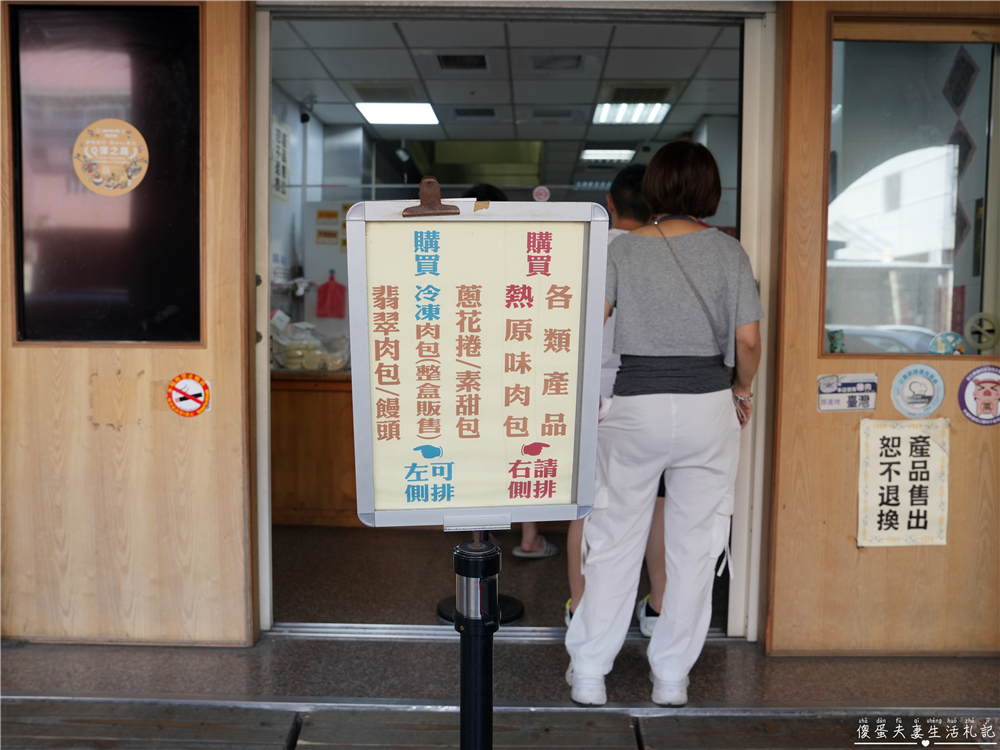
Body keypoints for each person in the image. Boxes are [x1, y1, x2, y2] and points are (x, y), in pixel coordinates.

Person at [565, 140, 763, 707]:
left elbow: (589, 327)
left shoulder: (623, 252)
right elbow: (747, 341)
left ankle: (589, 674)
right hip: (707, 405)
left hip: (636, 406)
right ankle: (671, 677)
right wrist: (741, 388)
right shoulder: (729, 253)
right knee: (696, 545)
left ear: (653, 187)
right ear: (708, 190)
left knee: (613, 538)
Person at [565, 164, 667, 636]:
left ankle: (583, 610)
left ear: (610, 205)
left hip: (586, 397)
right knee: (658, 503)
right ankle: (659, 607)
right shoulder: (667, 256)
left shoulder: (583, 253)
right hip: (651, 395)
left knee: (588, 504)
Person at [462, 183, 559, 559]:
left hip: (473, 369)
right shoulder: (521, 252)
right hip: (518, 367)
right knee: (523, 449)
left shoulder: (456, 251)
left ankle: (478, 536)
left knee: (476, 451)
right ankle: (529, 537)